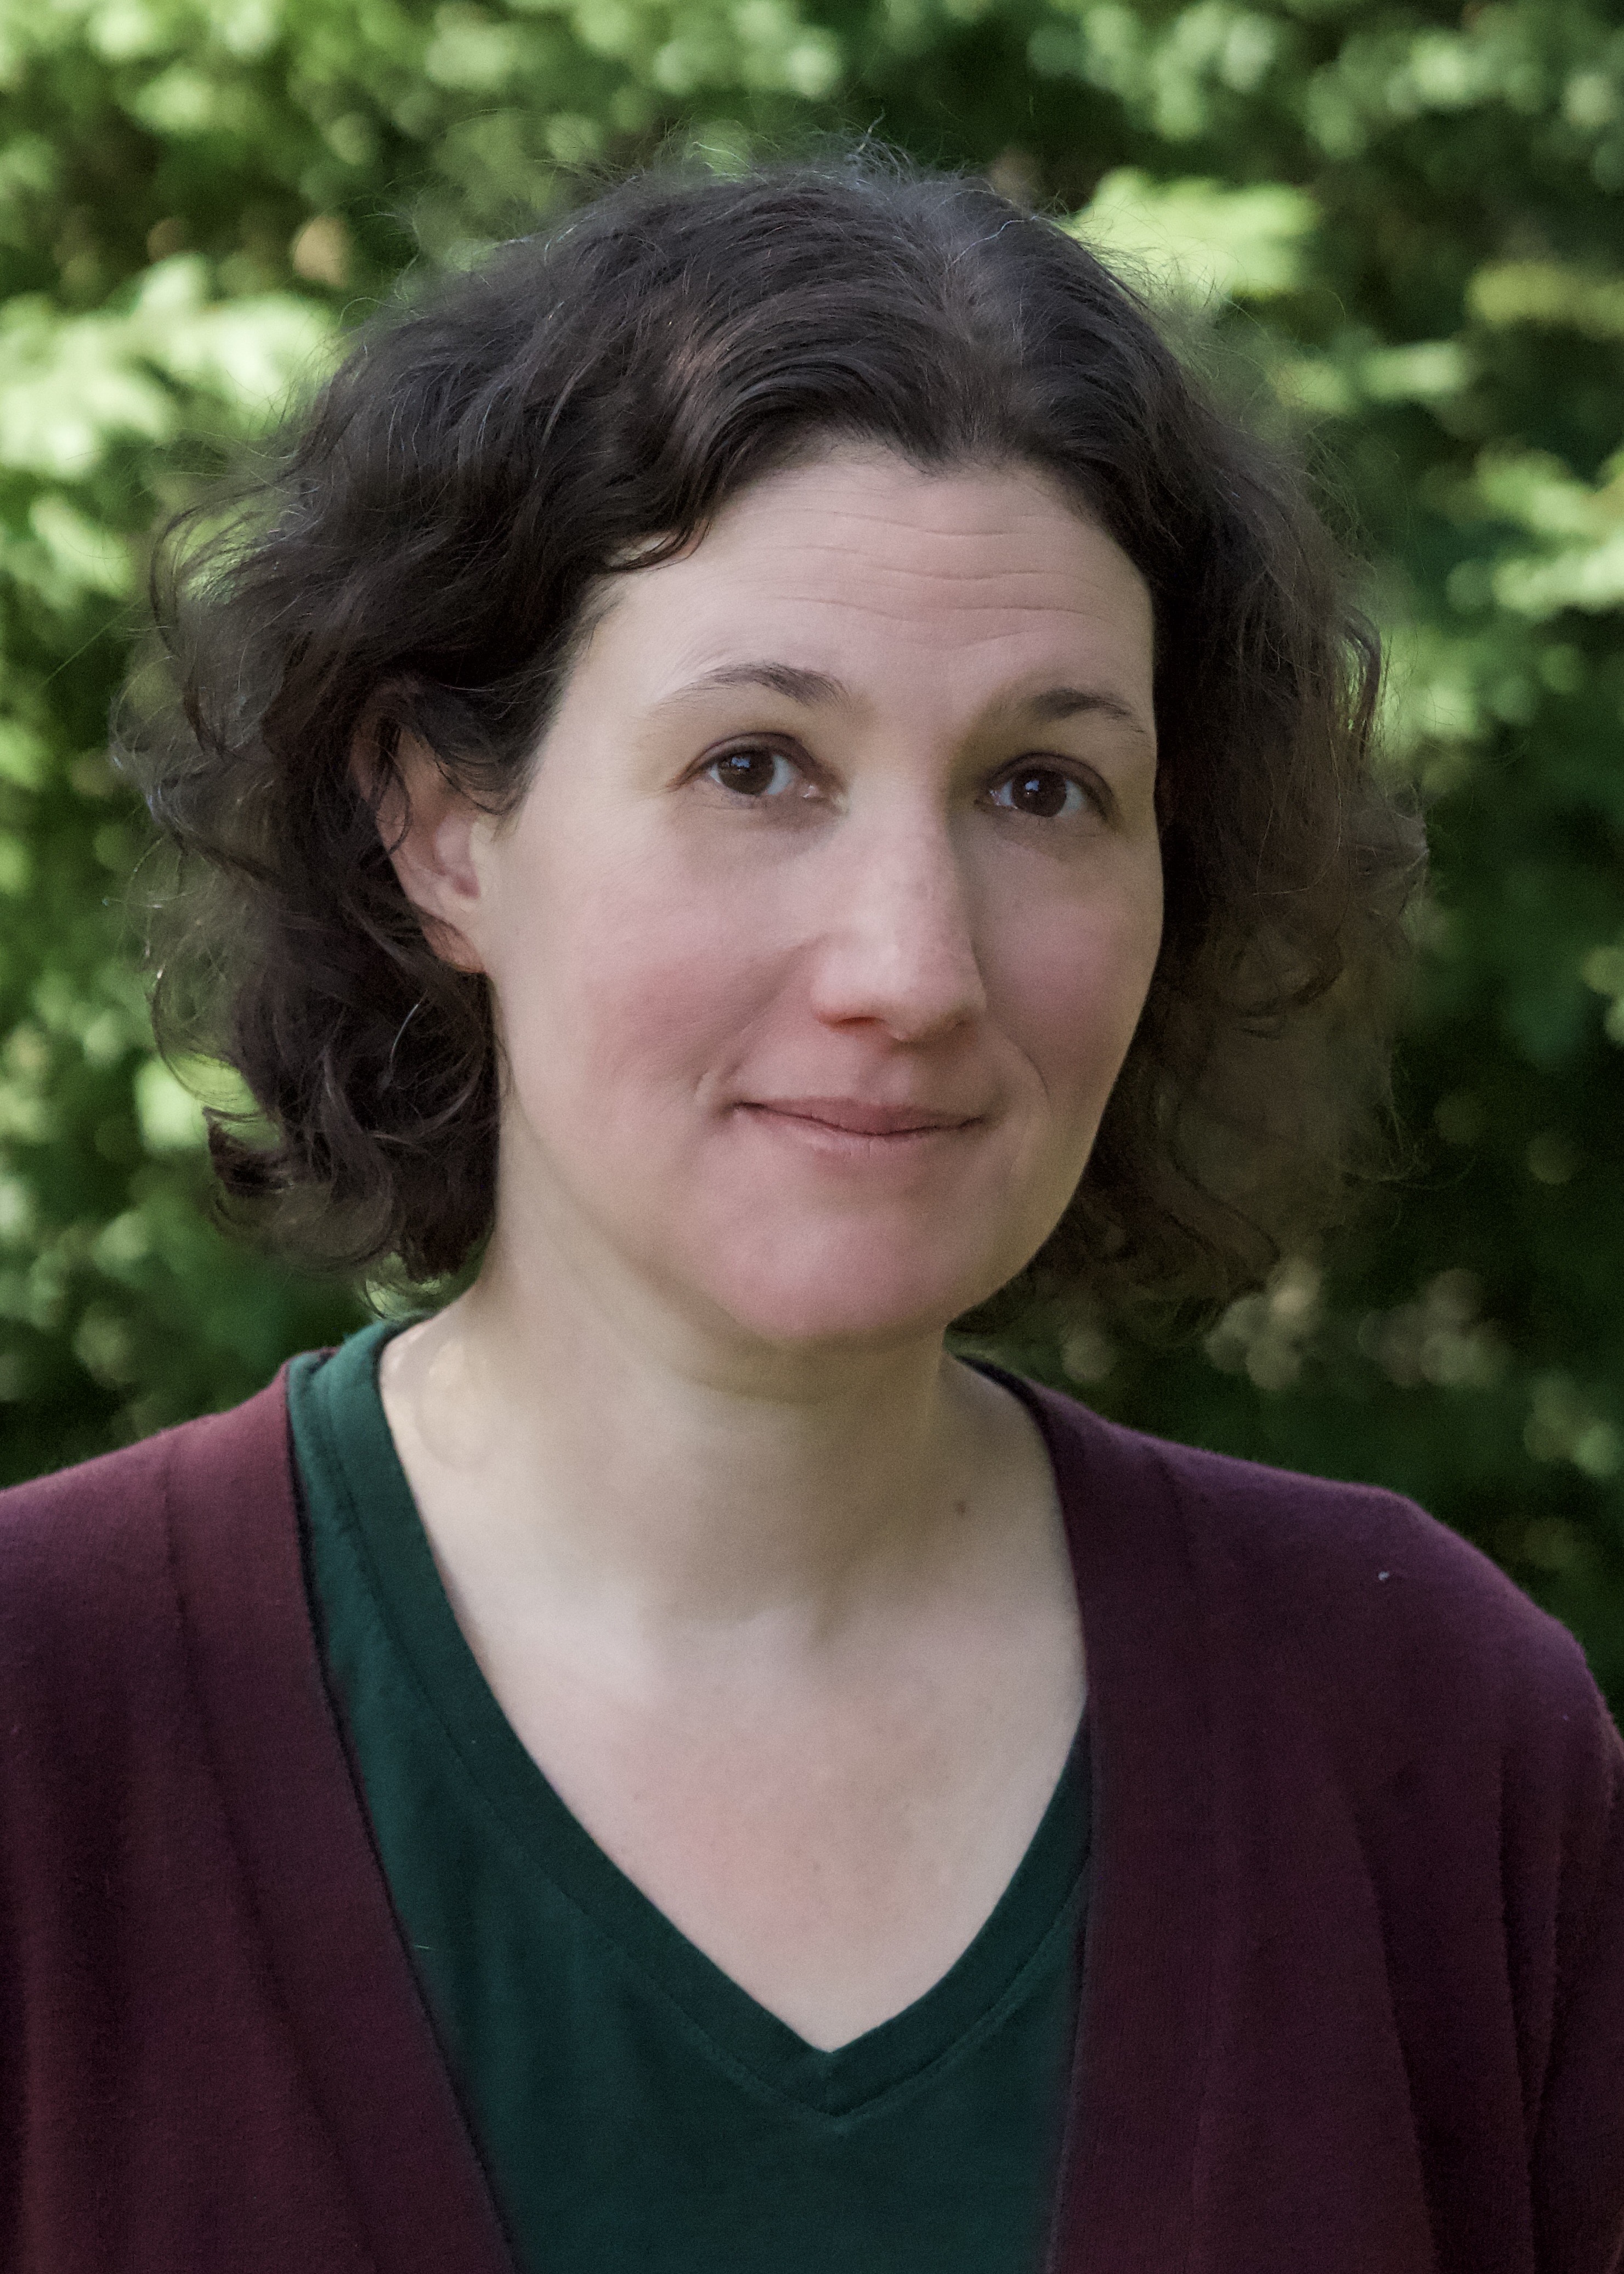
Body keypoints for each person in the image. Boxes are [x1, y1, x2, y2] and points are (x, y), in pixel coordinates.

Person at [1, 154, 1619, 2274]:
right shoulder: (47, 1722)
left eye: (1043, 787)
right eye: (758, 763)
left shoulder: (1424, 1737)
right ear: (441, 827)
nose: (913, 965)